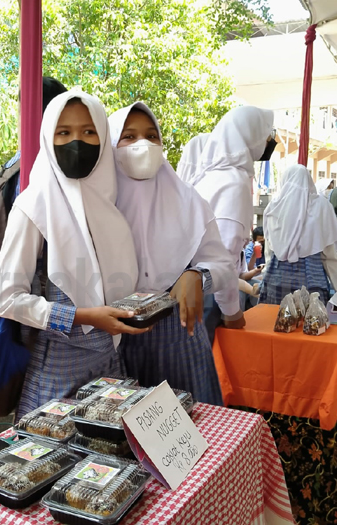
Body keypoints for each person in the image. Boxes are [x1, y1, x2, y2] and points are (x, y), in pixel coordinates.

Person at [0, 90, 148, 419]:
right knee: (53, 466)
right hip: (57, 373)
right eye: (64, 132)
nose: (76, 142)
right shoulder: (34, 205)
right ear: (49, 138)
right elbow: (6, 298)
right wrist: (83, 317)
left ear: (103, 138)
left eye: (89, 132)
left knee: (109, 466)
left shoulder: (110, 204)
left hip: (111, 367)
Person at [108, 102, 234, 405]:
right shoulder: (99, 201)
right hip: (113, 336)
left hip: (177, 336)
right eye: (129, 136)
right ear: (111, 144)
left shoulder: (188, 200)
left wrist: (197, 275)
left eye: (152, 136)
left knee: (191, 436)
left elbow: (223, 265)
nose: (143, 145)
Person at [189, 106, 276, 337]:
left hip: (195, 289)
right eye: (268, 134)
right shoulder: (233, 182)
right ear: (252, 134)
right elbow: (223, 256)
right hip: (210, 296)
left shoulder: (209, 175)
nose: (270, 141)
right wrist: (231, 312)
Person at [258, 165, 337, 304]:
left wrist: (264, 279)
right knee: (311, 323)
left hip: (275, 279)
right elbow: (328, 254)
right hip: (311, 282)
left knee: (278, 322)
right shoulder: (321, 205)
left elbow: (269, 251)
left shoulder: (273, 206)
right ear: (308, 180)